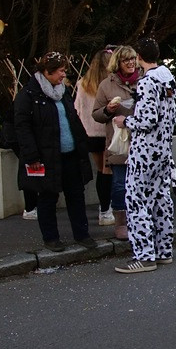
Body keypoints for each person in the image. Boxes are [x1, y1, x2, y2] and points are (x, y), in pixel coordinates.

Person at [13, 52, 95, 251]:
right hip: (47, 156)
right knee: (48, 196)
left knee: (76, 194)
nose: (63, 75)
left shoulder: (64, 91)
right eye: (60, 71)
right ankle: (51, 238)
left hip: (71, 154)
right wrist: (31, 155)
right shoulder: (29, 95)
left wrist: (82, 142)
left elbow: (72, 118)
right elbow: (22, 127)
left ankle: (82, 234)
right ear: (47, 72)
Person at [115, 38, 176, 274]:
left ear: (140, 56)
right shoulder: (167, 78)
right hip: (163, 149)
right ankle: (163, 251)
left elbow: (147, 120)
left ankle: (144, 256)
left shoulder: (147, 82)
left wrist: (125, 121)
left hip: (145, 151)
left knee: (136, 201)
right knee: (162, 200)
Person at [92, 44, 139, 240]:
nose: (131, 63)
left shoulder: (144, 80)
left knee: (139, 183)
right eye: (126, 60)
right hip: (118, 142)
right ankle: (121, 222)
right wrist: (109, 110)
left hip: (141, 140)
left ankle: (139, 220)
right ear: (117, 63)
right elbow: (96, 114)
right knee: (120, 184)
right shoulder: (106, 85)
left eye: (133, 59)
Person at [75, 47, 115, 227]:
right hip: (107, 131)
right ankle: (106, 210)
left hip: (89, 134)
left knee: (101, 170)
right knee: (109, 172)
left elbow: (77, 109)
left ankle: (104, 209)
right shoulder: (110, 84)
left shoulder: (83, 84)